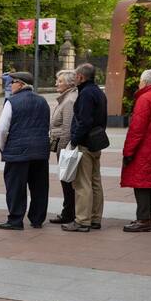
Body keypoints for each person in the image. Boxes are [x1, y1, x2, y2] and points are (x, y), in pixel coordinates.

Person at [0, 72, 51, 230]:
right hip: (40, 151)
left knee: (15, 187)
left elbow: (2, 128)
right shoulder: (42, 101)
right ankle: (37, 218)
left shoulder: (11, 102)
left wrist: (3, 147)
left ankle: (15, 219)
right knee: (39, 187)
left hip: (17, 152)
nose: (10, 85)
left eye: (12, 82)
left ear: (20, 84)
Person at [121, 69, 151, 232]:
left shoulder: (145, 98)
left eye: (141, 80)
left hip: (144, 148)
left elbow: (137, 128)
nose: (139, 83)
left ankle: (143, 219)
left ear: (146, 82)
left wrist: (128, 151)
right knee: (150, 182)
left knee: (141, 183)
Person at [63, 63, 109, 233]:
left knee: (82, 183)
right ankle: (95, 218)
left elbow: (84, 121)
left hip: (85, 143)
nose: (74, 78)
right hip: (97, 142)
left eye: (76, 75)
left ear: (81, 77)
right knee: (95, 181)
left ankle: (82, 220)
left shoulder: (85, 94)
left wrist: (74, 141)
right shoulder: (98, 92)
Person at [48, 70, 79, 225]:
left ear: (69, 83)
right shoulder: (66, 98)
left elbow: (67, 128)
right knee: (66, 181)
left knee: (67, 181)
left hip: (64, 146)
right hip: (61, 144)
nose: (56, 83)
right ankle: (68, 211)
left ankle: (69, 213)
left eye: (60, 81)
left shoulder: (69, 101)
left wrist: (63, 150)